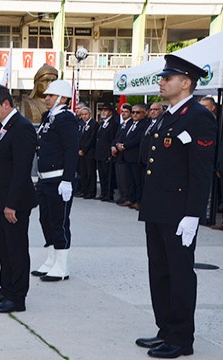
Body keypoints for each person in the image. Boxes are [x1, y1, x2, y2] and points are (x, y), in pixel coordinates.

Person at [135, 54, 217, 359]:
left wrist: (193, 214)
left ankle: (182, 338)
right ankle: (166, 330)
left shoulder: (198, 116)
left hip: (180, 211)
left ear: (186, 83)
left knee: (180, 274)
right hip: (157, 208)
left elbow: (201, 169)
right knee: (159, 271)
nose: (161, 82)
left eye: (168, 78)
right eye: (162, 77)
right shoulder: (168, 115)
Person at [0, 83, 38, 313]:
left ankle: (17, 296)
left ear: (5, 104)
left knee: (16, 249)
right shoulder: (0, 127)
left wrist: (11, 203)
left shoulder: (21, 128)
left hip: (14, 204)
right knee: (3, 249)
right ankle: (5, 289)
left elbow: (22, 170)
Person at [32, 79, 79, 282]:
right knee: (46, 220)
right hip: (46, 179)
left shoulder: (66, 119)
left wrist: (67, 179)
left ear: (63, 98)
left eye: (51, 96)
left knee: (59, 222)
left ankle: (61, 266)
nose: (47, 98)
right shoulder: (48, 117)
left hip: (59, 179)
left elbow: (71, 151)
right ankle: (51, 260)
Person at [116, 103, 149, 210]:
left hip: (135, 156)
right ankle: (131, 198)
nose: (135, 114)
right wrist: (117, 144)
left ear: (144, 113)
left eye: (137, 112)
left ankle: (139, 201)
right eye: (133, 112)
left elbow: (138, 139)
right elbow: (122, 136)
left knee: (138, 181)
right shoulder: (130, 123)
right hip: (126, 156)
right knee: (129, 180)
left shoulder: (144, 124)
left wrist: (124, 145)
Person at [94, 103, 119, 202]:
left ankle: (108, 194)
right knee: (102, 175)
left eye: (105, 110)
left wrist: (110, 154)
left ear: (111, 112)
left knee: (108, 175)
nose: (103, 112)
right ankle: (103, 193)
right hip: (99, 153)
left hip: (107, 154)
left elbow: (112, 139)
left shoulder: (113, 124)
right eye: (102, 110)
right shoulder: (102, 123)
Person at [112, 103, 132, 205]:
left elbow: (127, 138)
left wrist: (121, 145)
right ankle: (122, 195)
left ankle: (127, 197)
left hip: (126, 154)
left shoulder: (131, 124)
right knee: (120, 178)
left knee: (126, 179)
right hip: (118, 154)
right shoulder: (122, 124)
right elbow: (116, 137)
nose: (123, 114)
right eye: (122, 111)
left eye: (126, 112)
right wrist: (114, 146)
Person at [78, 106, 99, 199]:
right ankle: (84, 190)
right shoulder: (82, 124)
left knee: (90, 172)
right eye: (82, 114)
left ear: (90, 114)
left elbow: (92, 139)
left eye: (86, 114)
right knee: (83, 172)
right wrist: (79, 149)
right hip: (81, 152)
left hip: (90, 152)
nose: (84, 116)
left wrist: (84, 150)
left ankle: (91, 192)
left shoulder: (94, 124)